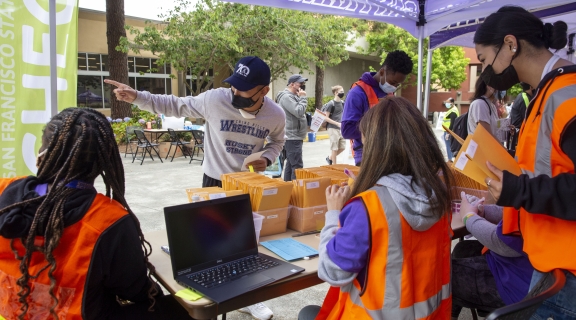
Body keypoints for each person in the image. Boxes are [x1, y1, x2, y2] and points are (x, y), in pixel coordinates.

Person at [106, 55, 283, 320]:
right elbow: (174, 104)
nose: (235, 94)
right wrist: (137, 97)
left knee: (247, 243)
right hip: (213, 180)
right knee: (207, 243)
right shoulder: (215, 99)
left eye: (243, 91)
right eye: (233, 86)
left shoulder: (275, 114)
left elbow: (278, 142)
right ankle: (210, 295)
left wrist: (266, 158)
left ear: (264, 91)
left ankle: (247, 295)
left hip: (248, 184)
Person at [0, 108, 190, 319]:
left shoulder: (3, 190)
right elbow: (133, 290)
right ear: (104, 161)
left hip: (11, 312)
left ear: (42, 155)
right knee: (185, 308)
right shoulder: (107, 220)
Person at [298, 96, 453, 320]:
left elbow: (331, 271)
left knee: (306, 314)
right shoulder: (438, 195)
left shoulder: (367, 208)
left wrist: (334, 214)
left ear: (376, 150)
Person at [474, 6, 576, 319]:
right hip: (550, 266)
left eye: (483, 59)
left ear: (510, 44)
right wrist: (510, 192)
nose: (484, 72)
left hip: (568, 276)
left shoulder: (567, 96)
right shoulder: (543, 95)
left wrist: (519, 190)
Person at [451, 192, 534, 319]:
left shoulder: (544, 196)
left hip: (519, 286)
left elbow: (503, 244)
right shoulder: (547, 190)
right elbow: (514, 216)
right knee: (462, 249)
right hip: (522, 267)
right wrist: (483, 211)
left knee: (441, 276)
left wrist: (469, 217)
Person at [341, 50, 413, 166]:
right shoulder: (358, 93)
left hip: (390, 155)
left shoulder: (389, 93)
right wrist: (381, 130)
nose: (394, 87)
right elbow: (347, 130)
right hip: (367, 157)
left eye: (397, 85)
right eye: (393, 82)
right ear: (382, 72)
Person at [276, 74, 308, 181]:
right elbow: (299, 111)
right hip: (292, 136)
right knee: (297, 166)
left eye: (303, 83)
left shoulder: (292, 96)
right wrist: (303, 98)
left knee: (291, 164)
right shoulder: (287, 97)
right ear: (292, 84)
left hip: (294, 135)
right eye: (300, 83)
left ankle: (289, 188)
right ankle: (295, 191)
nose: (303, 85)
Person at [322, 85, 346, 165]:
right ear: (336, 93)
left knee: (342, 147)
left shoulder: (343, 103)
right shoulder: (331, 104)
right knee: (334, 148)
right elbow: (326, 118)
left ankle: (329, 158)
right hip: (332, 128)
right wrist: (337, 123)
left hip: (340, 128)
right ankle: (334, 165)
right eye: (341, 92)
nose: (342, 93)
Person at [508, 82, 533, 154]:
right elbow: (529, 118)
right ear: (531, 87)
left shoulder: (522, 95)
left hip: (518, 134)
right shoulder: (525, 98)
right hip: (519, 135)